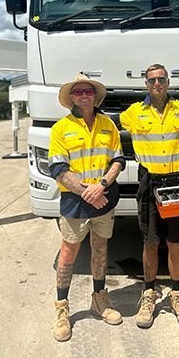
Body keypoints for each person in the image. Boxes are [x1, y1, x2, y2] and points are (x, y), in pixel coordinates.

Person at [48, 72, 125, 342]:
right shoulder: (61, 128)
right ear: (71, 97)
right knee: (68, 255)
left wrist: (102, 184)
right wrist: (88, 192)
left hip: (103, 196)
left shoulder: (108, 125)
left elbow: (118, 160)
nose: (83, 95)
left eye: (87, 91)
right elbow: (58, 168)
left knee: (100, 249)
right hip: (76, 201)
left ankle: (99, 300)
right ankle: (61, 309)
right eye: (78, 92)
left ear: (95, 95)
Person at [120, 64, 179, 328]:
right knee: (150, 241)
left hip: (176, 182)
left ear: (168, 82)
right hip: (149, 182)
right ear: (145, 83)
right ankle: (148, 293)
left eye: (161, 79)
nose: (157, 83)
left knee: (175, 241)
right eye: (152, 80)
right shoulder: (131, 114)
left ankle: (176, 293)